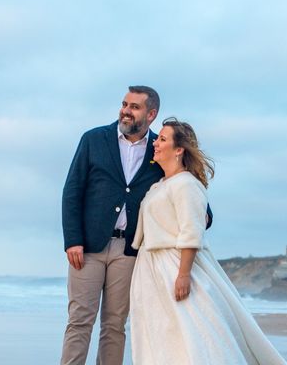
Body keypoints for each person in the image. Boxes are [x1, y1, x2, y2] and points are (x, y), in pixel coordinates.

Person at [60, 86, 212, 365]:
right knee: (80, 320)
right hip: (88, 248)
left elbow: (183, 186)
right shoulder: (93, 139)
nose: (125, 110)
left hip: (130, 251)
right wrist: (72, 240)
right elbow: (72, 191)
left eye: (134, 107)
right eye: (124, 104)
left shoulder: (160, 148)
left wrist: (203, 215)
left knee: (115, 324)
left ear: (151, 114)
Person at [130, 118, 287, 365]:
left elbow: (191, 231)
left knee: (191, 330)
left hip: (174, 263)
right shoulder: (160, 184)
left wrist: (183, 275)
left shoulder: (186, 184)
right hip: (151, 266)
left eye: (162, 139)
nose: (155, 143)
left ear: (179, 149)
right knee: (162, 332)